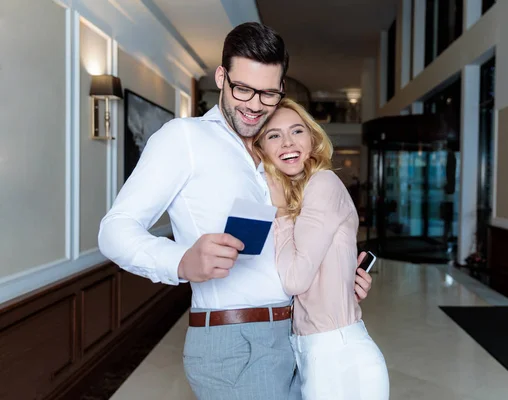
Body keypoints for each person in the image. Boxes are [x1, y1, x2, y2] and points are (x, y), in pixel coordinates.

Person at [97, 22, 373, 400]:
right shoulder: (185, 138)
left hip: (299, 335)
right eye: (243, 89)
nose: (256, 104)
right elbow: (115, 230)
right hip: (235, 343)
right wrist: (182, 261)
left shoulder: (275, 152)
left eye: (269, 94)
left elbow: (291, 249)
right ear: (222, 77)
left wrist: (337, 280)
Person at [253, 99, 389, 400]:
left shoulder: (323, 183)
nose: (287, 142)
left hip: (337, 354)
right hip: (307, 351)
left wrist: (282, 214)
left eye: (296, 131)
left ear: (312, 139)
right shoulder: (288, 196)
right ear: (261, 148)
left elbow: (294, 280)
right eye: (273, 135)